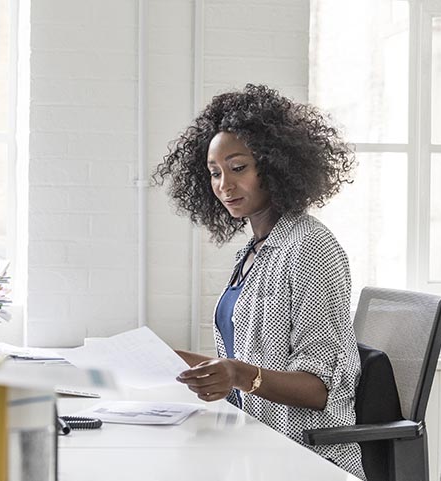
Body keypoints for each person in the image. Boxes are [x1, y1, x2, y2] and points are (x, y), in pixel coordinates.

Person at [152, 84, 365, 479]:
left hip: (304, 457)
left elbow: (318, 388)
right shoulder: (252, 252)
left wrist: (235, 374)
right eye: (214, 173)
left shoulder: (309, 247)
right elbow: (244, 363)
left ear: (275, 164)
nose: (224, 186)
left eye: (238, 168)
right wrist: (166, 359)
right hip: (253, 447)